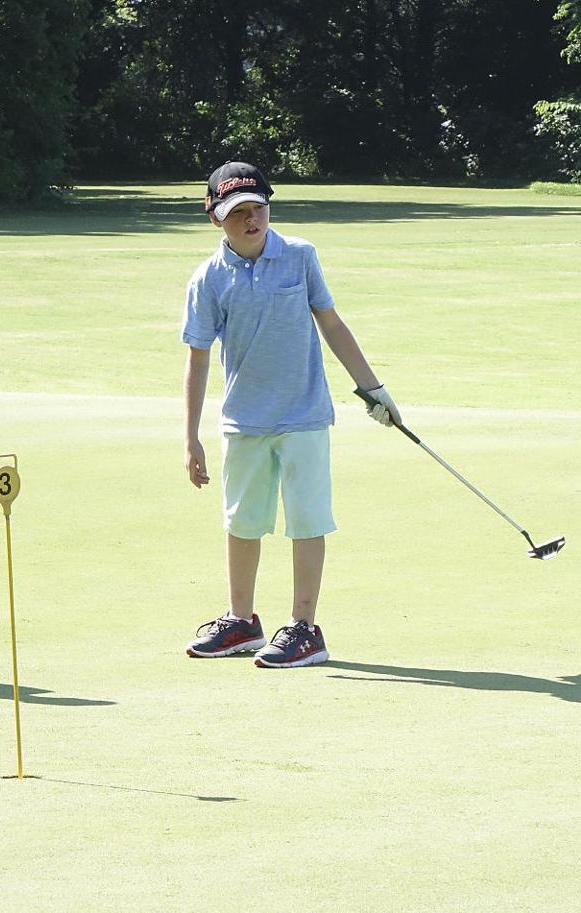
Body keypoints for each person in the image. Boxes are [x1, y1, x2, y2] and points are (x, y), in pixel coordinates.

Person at [182, 161, 399, 668]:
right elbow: (197, 358)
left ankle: (304, 627)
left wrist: (374, 390)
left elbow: (331, 323)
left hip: (303, 415)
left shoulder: (300, 256)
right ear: (215, 217)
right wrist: (190, 437)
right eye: (237, 213)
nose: (251, 220)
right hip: (244, 420)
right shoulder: (208, 279)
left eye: (257, 208)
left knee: (306, 519)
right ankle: (242, 623)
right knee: (243, 522)